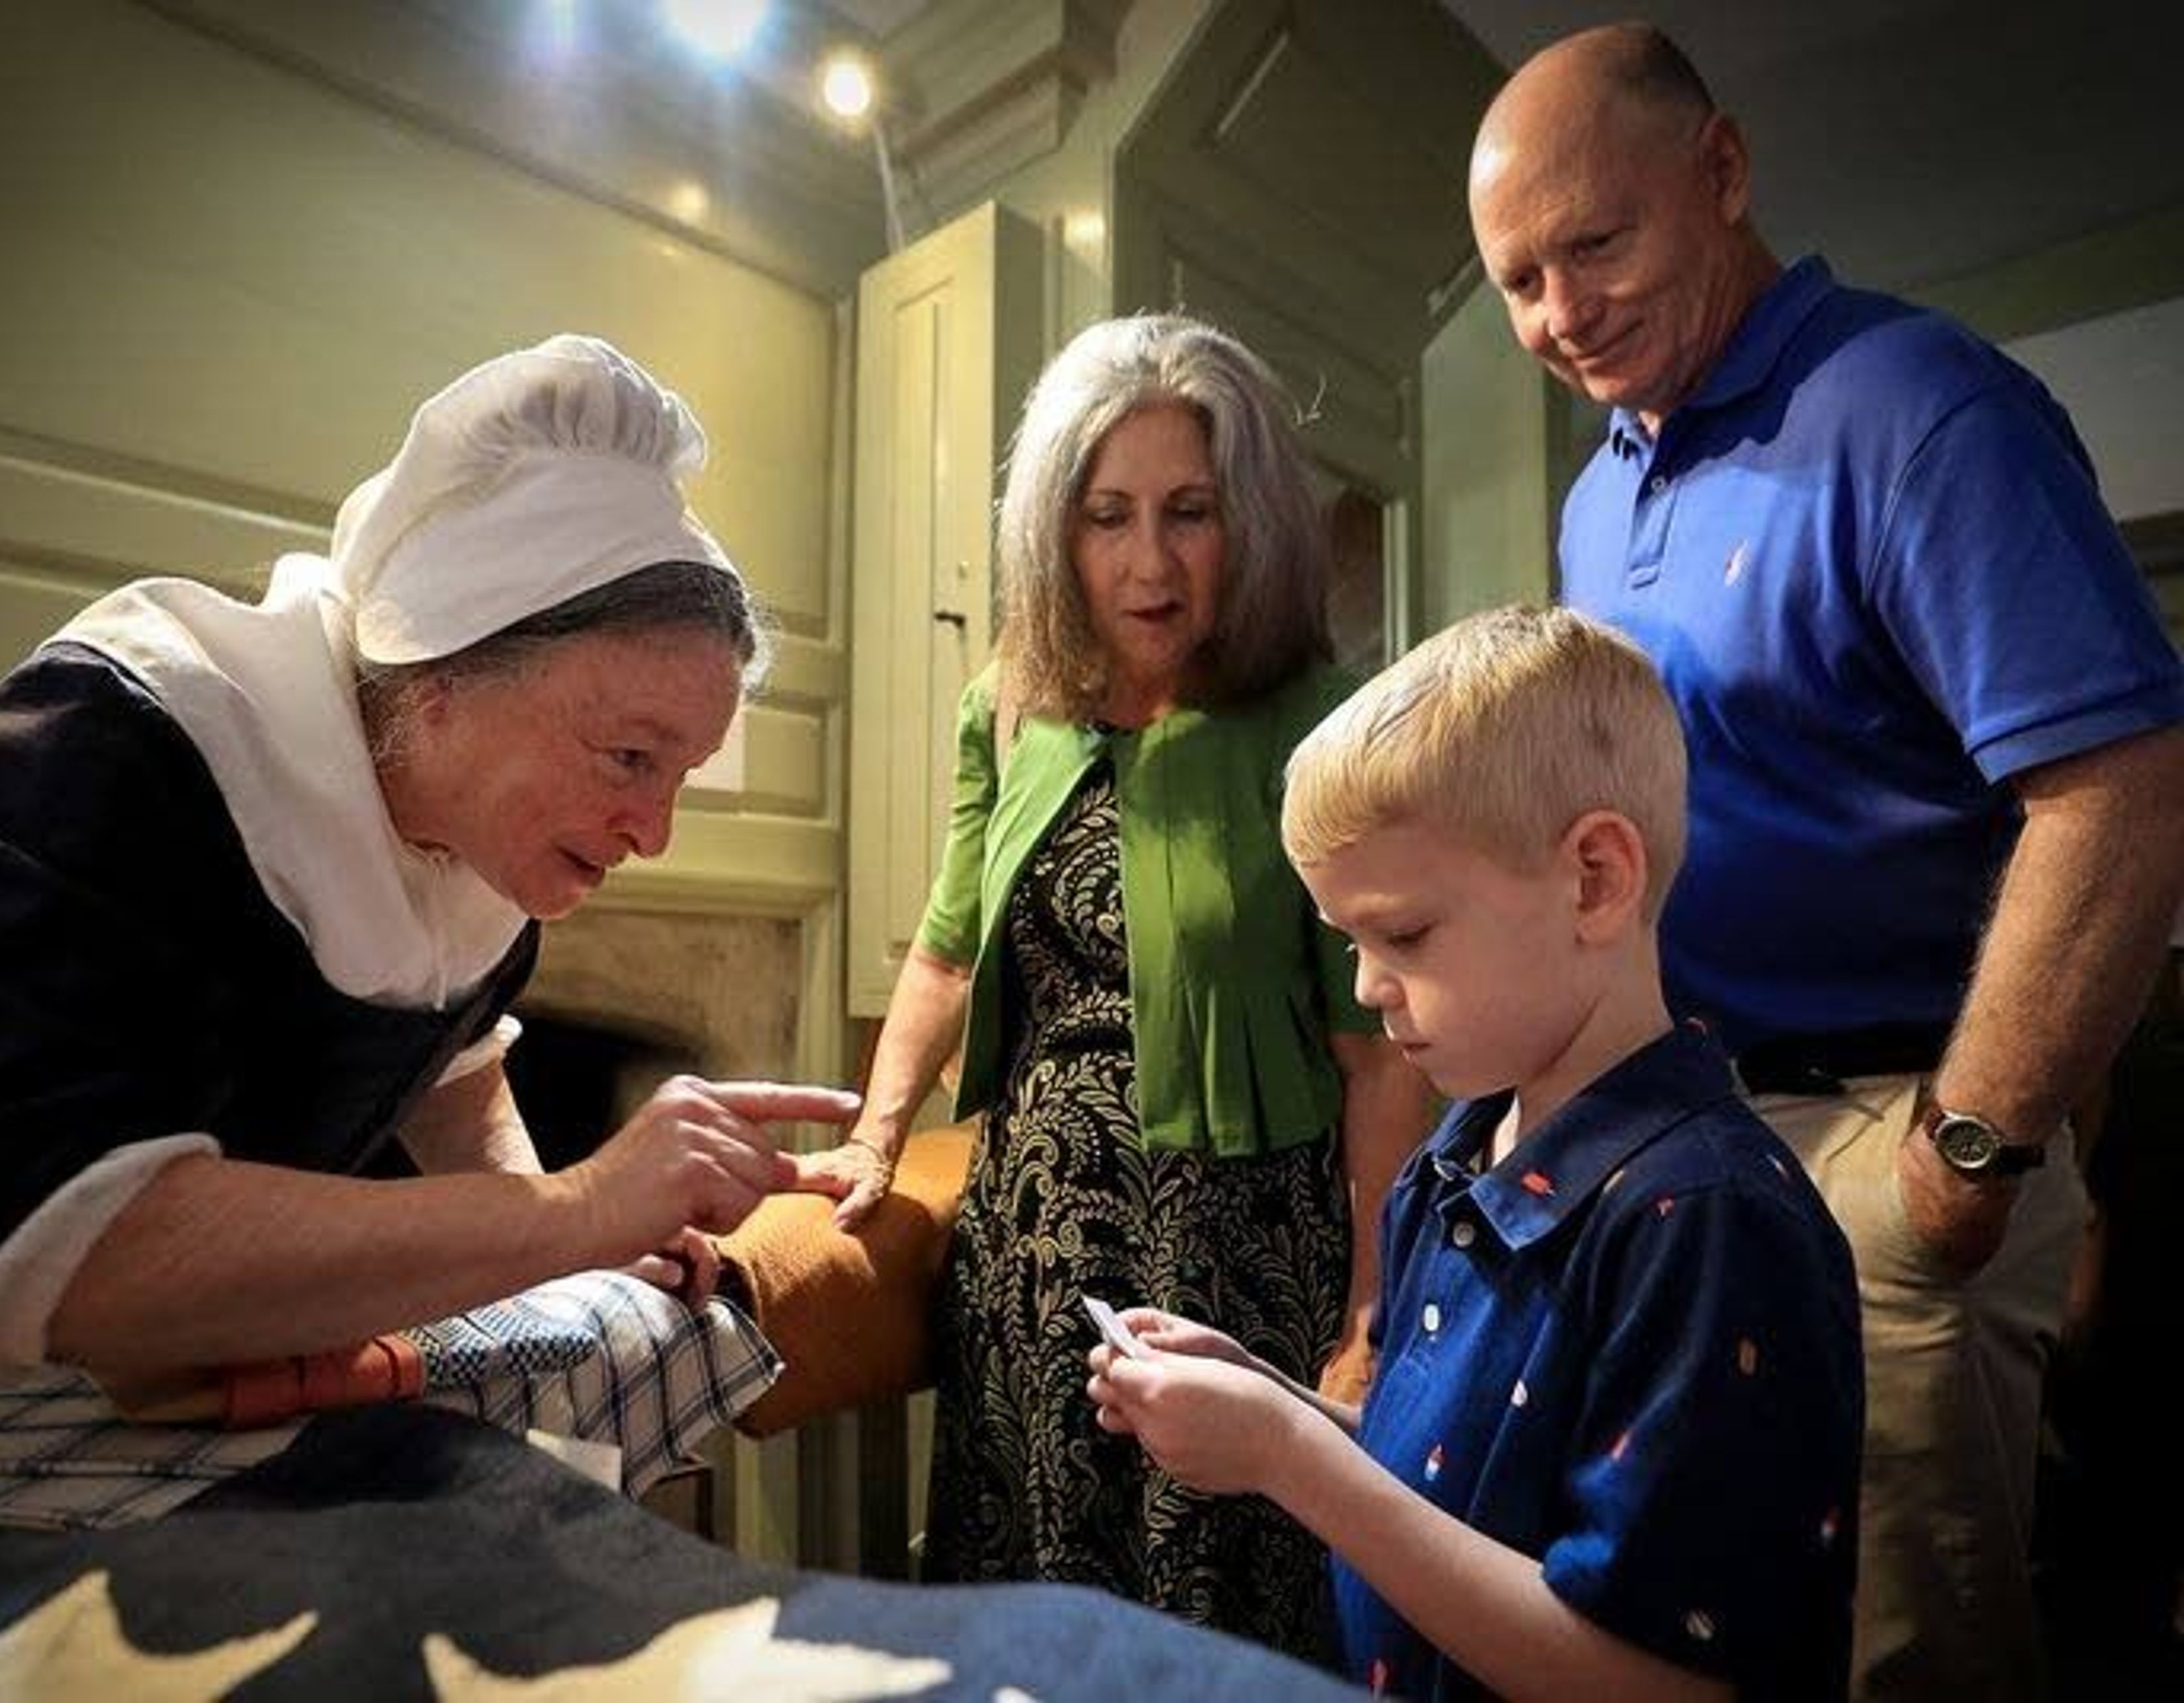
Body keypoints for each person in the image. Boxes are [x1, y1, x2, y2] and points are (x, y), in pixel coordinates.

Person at [0, 334, 860, 1699]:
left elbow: (443, 1068)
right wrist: (573, 1208)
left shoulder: (476, 842)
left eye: (681, 774)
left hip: (149, 1408)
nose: (653, 828)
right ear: (442, 670)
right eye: (630, 756)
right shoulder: (96, 760)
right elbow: (59, 1253)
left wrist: (579, 1249)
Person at [1464, 24, 2184, 1698]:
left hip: (1889, 1136)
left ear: (1720, 175)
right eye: (1518, 280)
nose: (1562, 314)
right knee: (1696, 1622)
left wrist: (1964, 1162)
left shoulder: (1920, 410)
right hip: (1681, 1147)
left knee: (1903, 1654)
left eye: (1597, 244)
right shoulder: (1594, 495)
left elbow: (2127, 787)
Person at [788, 312, 1432, 1659]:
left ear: (1246, 521)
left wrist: (1368, 1318)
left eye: (1189, 512)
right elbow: (947, 945)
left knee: (1217, 1631)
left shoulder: (1325, 719)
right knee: (1030, 1610)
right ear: (1055, 534)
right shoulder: (1010, 705)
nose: (1149, 561)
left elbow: (1377, 1056)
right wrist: (872, 1132)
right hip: (1027, 1265)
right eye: (1107, 516)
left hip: (1244, 1269)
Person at [1091, 604, 1866, 1700]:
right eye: (1348, 941)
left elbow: (1663, 1678)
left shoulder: (1706, 1223)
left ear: (1595, 878)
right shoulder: (1456, 1159)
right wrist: (1278, 1401)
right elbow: (1462, 1477)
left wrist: (1290, 1459)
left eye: (1403, 935)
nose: (1365, 986)